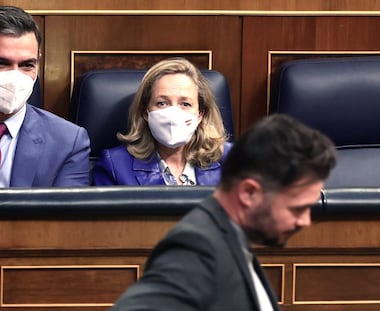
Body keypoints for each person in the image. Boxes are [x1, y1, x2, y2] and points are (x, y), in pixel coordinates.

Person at [109, 113, 337, 311]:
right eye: (297, 208)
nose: (305, 221)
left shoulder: (231, 238)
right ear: (248, 193)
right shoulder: (196, 248)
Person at [92, 58, 232, 186]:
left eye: (185, 104)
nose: (173, 114)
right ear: (145, 112)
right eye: (162, 103)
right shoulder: (114, 166)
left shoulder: (233, 161)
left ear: (200, 114)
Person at [0, 6, 91, 187]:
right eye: (2, 63)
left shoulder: (68, 141)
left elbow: (65, 213)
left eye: (27, 65)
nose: (15, 76)